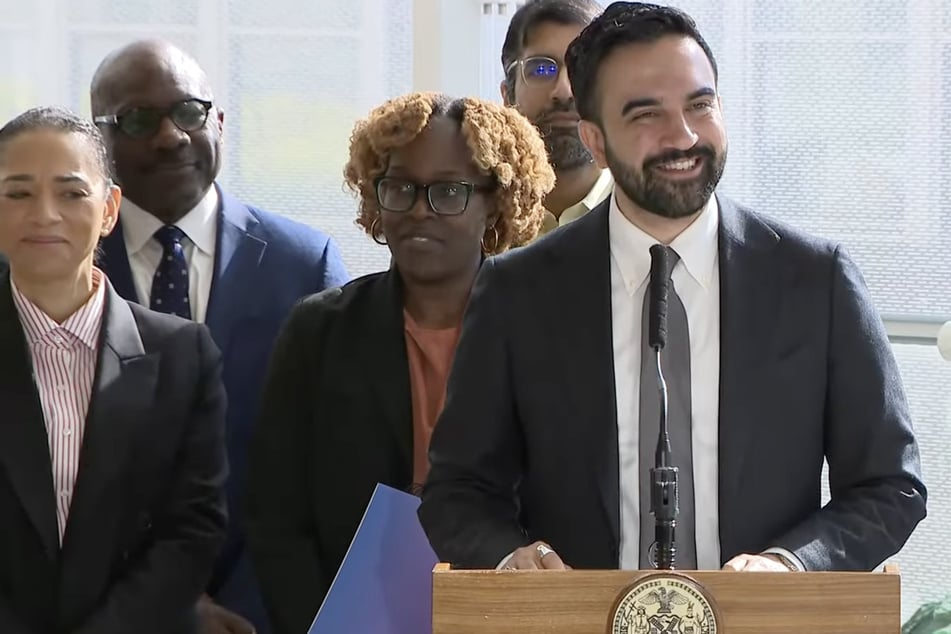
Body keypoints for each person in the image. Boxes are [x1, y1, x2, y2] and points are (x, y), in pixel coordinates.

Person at [419, 2, 926, 574]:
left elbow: (890, 487)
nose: (682, 136)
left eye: (700, 105)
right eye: (645, 114)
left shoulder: (817, 280)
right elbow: (458, 491)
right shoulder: (517, 290)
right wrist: (511, 558)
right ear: (597, 139)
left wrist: (792, 565)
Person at [247, 92, 554, 634]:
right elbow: (278, 518)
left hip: (511, 609)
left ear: (496, 201)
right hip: (351, 616)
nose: (418, 208)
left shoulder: (546, 333)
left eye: (448, 191)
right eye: (400, 187)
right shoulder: (320, 330)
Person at [90, 39, 350, 634]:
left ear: (220, 122)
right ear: (97, 141)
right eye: (137, 119)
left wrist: (260, 606)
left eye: (189, 112)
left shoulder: (304, 265)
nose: (170, 136)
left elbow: (330, 467)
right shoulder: (62, 268)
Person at [0, 106, 227, 634]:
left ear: (109, 209)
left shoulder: (183, 356)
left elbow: (192, 530)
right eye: (17, 193)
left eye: (72, 192)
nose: (44, 215)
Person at [501, 0, 613, 235]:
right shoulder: (476, 221)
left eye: (581, 68)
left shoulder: (646, 213)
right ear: (507, 95)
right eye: (541, 69)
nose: (564, 91)